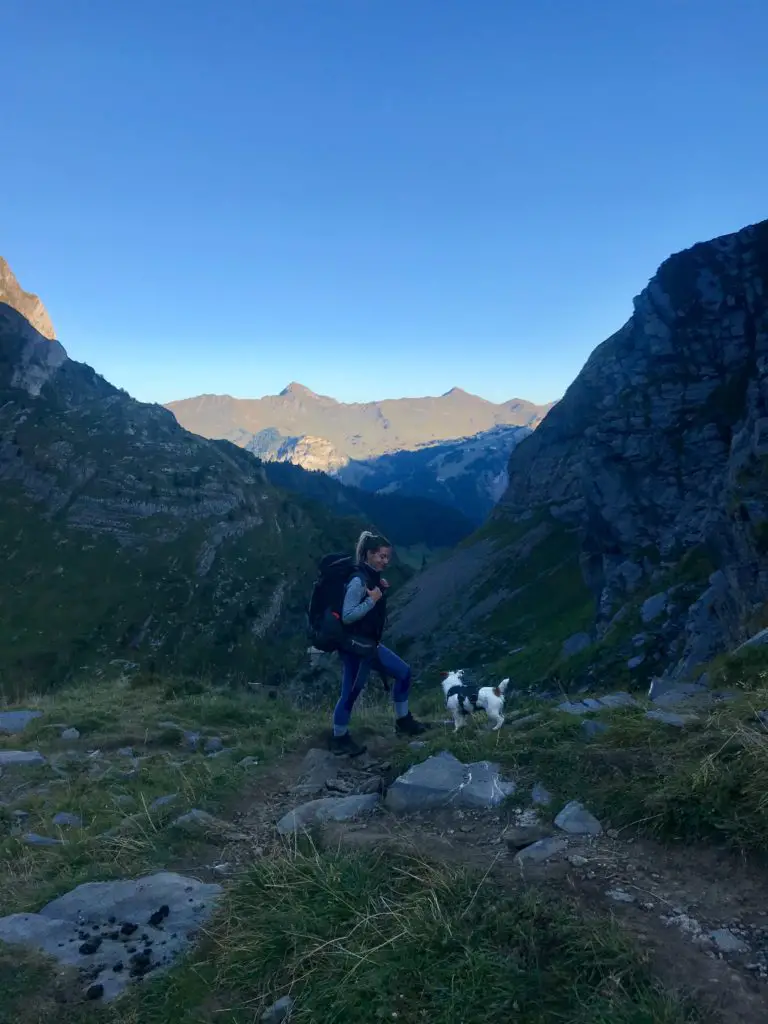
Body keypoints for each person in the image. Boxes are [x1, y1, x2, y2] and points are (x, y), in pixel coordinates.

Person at [330, 530, 428, 756]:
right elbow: (348, 615)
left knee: (404, 672)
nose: (385, 561)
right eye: (381, 556)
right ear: (368, 555)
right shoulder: (358, 580)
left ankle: (403, 721)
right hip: (355, 647)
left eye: (387, 557)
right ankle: (339, 738)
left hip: (368, 645)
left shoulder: (370, 577)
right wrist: (372, 600)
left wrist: (379, 589)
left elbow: (368, 599)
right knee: (351, 693)